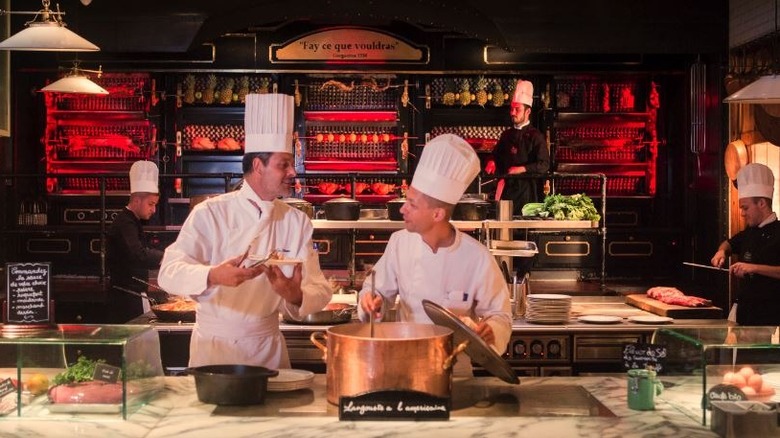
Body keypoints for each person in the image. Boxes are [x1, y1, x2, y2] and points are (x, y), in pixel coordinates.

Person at [158, 93, 332, 369]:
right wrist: (214, 275)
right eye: (283, 164)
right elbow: (168, 273)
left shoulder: (297, 221)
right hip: (214, 350)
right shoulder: (211, 212)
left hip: (267, 350)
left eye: (291, 164)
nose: (292, 172)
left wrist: (295, 295)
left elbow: (320, 288)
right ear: (257, 166)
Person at [358, 133, 512, 376]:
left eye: (412, 204)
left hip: (455, 373)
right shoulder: (399, 243)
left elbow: (500, 315)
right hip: (404, 366)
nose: (402, 209)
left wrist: (491, 329)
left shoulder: (477, 257)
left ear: (437, 214)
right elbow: (375, 291)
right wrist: (370, 302)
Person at [711, 163, 780, 325]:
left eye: (745, 208)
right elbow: (728, 244)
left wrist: (754, 267)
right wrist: (721, 252)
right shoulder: (749, 231)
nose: (742, 213)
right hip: (744, 314)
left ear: (761, 203)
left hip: (771, 320)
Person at [106, 160, 165, 323]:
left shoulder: (132, 220)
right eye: (151, 204)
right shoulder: (125, 222)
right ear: (137, 200)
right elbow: (137, 254)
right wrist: (166, 257)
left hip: (133, 293)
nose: (153, 210)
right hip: (126, 299)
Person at [485, 79, 550, 217]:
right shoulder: (506, 135)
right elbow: (495, 155)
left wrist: (522, 169)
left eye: (517, 109)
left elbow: (544, 164)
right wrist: (492, 162)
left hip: (528, 193)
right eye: (512, 108)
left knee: (523, 229)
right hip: (507, 191)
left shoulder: (536, 136)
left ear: (528, 112)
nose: (512, 113)